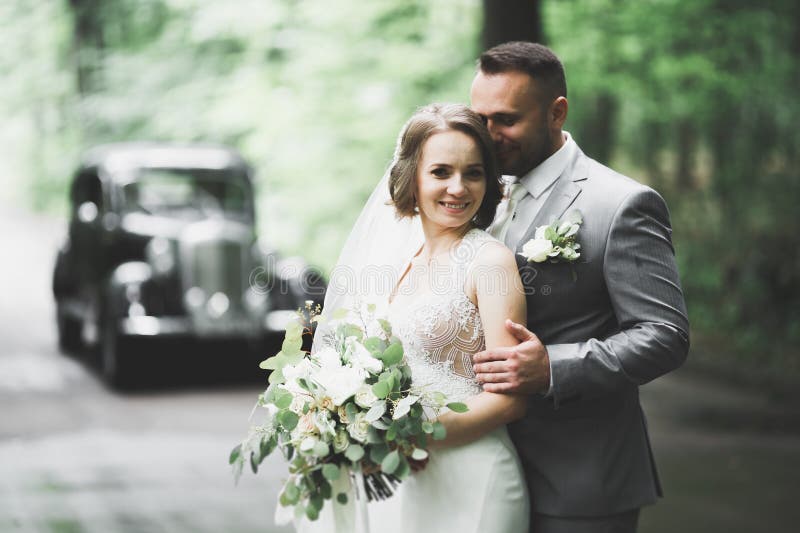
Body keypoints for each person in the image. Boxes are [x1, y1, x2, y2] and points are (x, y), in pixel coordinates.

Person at [469, 42, 690, 533]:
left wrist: (554, 366)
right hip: (480, 470)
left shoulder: (622, 204)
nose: (487, 135)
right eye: (478, 118)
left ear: (556, 112)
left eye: (505, 119)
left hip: (579, 480)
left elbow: (664, 334)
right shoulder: (472, 193)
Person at [306, 103, 530, 533]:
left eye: (474, 173)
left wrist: (418, 435)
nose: (458, 188)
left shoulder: (491, 262)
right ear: (413, 177)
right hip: (400, 482)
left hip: (472, 479)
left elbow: (511, 399)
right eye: (441, 172)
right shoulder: (394, 258)